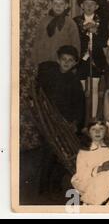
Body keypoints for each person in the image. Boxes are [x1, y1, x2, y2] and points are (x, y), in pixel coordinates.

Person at [36, 45, 85, 197]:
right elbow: (39, 92)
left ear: (75, 63)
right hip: (48, 123)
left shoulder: (75, 81)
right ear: (58, 59)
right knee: (49, 154)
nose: (66, 63)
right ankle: (43, 187)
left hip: (65, 124)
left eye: (70, 61)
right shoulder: (49, 75)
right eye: (63, 59)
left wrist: (76, 123)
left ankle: (56, 184)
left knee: (62, 156)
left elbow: (80, 104)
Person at [73, 0, 108, 118]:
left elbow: (105, 41)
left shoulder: (102, 22)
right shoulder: (76, 21)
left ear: (96, 7)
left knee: (94, 87)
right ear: (82, 6)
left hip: (96, 59)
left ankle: (93, 117)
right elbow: (75, 39)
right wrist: (85, 31)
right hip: (81, 59)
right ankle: (81, 116)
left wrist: (96, 32)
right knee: (81, 88)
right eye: (86, 4)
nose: (89, 6)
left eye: (92, 4)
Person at [71, 121, 109, 205]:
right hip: (87, 180)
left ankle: (97, 203)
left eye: (101, 129)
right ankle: (104, 202)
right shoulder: (84, 151)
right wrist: (99, 169)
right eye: (93, 129)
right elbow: (81, 173)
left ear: (105, 131)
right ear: (88, 132)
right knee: (106, 177)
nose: (97, 132)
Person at [31, 0, 80, 66]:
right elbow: (37, 41)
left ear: (66, 6)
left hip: (62, 63)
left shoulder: (71, 23)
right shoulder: (43, 21)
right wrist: (35, 59)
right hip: (44, 60)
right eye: (55, 3)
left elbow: (75, 44)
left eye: (61, 4)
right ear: (50, 4)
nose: (58, 6)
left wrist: (74, 62)